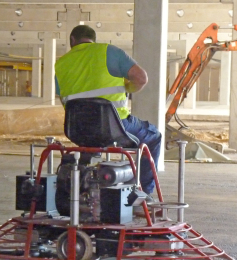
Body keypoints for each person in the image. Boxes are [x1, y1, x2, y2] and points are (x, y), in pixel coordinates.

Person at [55, 25, 161, 197]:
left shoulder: (61, 63)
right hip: (116, 125)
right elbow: (141, 78)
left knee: (92, 141)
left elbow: (64, 99)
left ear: (72, 41)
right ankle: (143, 196)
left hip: (77, 129)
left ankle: (81, 185)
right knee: (154, 136)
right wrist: (129, 88)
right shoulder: (108, 51)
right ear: (93, 39)